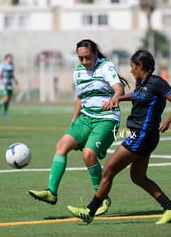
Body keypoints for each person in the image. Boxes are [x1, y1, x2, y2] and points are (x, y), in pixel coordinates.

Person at [67, 49, 171, 225]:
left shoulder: (157, 82)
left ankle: (90, 211)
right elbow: (137, 95)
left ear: (141, 66)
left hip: (142, 135)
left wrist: (167, 121)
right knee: (138, 177)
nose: (130, 70)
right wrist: (118, 99)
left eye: (132, 66)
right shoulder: (141, 83)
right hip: (142, 135)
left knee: (107, 171)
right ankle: (170, 208)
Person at [29, 39, 128, 216]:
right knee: (61, 146)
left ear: (95, 54)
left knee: (88, 155)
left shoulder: (105, 67)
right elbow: (80, 99)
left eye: (87, 58)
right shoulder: (78, 72)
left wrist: (114, 99)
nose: (84, 62)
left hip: (106, 119)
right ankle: (51, 192)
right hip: (85, 118)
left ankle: (103, 199)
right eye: (80, 58)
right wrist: (73, 122)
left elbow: (119, 89)